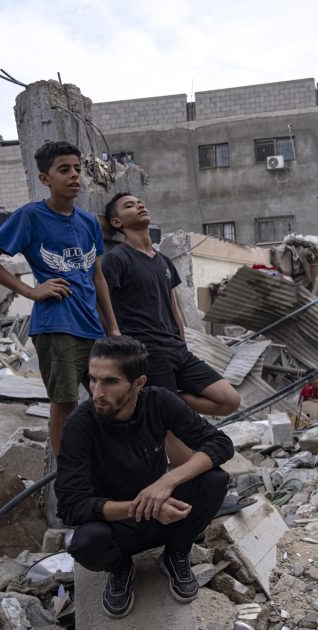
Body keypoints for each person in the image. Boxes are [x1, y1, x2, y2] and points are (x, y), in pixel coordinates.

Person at [55, 336, 232, 618]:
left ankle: (176, 554)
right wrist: (144, 507)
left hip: (167, 518)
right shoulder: (79, 425)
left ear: (138, 383)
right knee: (85, 543)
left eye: (110, 382)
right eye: (92, 379)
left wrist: (166, 482)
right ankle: (120, 568)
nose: (97, 392)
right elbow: (70, 506)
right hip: (118, 526)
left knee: (215, 480)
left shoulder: (160, 402)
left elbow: (220, 443)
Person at [0, 141, 119, 458]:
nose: (74, 175)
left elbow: (97, 278)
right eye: (64, 169)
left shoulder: (89, 222)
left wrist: (113, 328)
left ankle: (103, 465)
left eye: (77, 169)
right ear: (45, 179)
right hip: (56, 325)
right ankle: (68, 476)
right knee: (65, 404)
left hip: (92, 327)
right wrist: (30, 291)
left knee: (110, 399)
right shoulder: (31, 216)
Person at [100, 193, 240, 462]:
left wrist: (182, 341)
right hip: (146, 351)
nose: (139, 205)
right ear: (117, 222)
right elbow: (101, 301)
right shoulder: (116, 259)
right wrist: (115, 338)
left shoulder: (164, 261)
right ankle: (191, 480)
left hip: (177, 349)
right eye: (129, 205)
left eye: (140, 202)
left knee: (229, 399)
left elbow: (174, 308)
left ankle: (164, 399)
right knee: (170, 427)